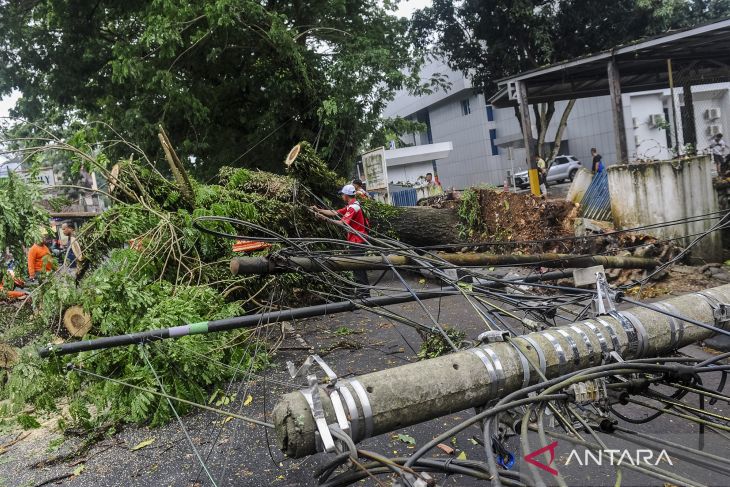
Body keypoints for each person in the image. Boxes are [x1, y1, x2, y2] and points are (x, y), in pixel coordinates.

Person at [311, 184, 370, 298]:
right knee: (357, 267)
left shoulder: (353, 208)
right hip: (355, 240)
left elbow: (342, 224)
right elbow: (334, 212)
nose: (341, 196)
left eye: (342, 194)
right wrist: (319, 210)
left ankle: (364, 294)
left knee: (358, 267)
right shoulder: (351, 206)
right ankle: (364, 293)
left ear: (346, 195)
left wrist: (325, 220)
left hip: (358, 241)